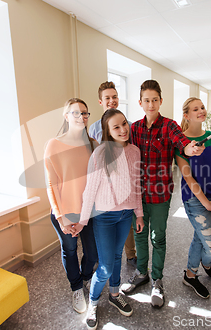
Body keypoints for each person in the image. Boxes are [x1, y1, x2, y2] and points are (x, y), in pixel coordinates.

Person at [121, 80, 205, 308]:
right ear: (140, 102)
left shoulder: (169, 126)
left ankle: (157, 280)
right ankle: (141, 274)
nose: (151, 104)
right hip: (137, 195)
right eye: (146, 100)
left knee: (158, 238)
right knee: (139, 236)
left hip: (160, 196)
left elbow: (182, 142)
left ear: (160, 101)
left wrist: (191, 148)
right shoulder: (135, 128)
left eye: (155, 100)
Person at [78, 108, 144, 330]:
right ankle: (93, 302)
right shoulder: (100, 153)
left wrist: (139, 214)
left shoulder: (134, 151)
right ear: (107, 130)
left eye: (124, 124)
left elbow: (136, 185)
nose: (123, 129)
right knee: (105, 266)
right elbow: (90, 189)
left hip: (126, 215)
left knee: (117, 257)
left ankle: (114, 294)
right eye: (116, 127)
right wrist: (83, 220)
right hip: (105, 217)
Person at [44, 98, 98, 314]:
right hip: (64, 212)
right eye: (75, 113)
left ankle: (85, 278)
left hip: (89, 213)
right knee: (70, 250)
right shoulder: (54, 144)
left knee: (93, 254)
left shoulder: (92, 144)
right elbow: (51, 183)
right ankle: (76, 287)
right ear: (66, 116)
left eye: (84, 113)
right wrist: (60, 216)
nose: (81, 117)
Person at [175, 97, 211, 298]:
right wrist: (205, 202)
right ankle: (207, 262)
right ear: (186, 115)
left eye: (202, 107)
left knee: (200, 236)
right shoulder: (181, 143)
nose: (201, 110)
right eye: (195, 109)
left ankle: (190, 274)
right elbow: (187, 177)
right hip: (195, 200)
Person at [88, 81, 138, 268]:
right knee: (104, 227)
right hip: (103, 190)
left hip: (125, 187)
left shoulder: (129, 125)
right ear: (100, 102)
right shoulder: (93, 129)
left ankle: (131, 255)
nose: (112, 101)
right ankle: (104, 258)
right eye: (107, 98)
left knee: (127, 225)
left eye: (114, 97)